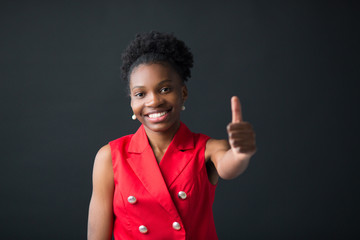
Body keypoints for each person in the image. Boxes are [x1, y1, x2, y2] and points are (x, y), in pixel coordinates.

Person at [87, 31, 256, 240]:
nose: (153, 102)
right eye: (140, 94)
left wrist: (240, 155)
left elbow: (228, 166)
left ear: (182, 93)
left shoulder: (207, 148)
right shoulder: (110, 157)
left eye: (165, 89)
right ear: (131, 101)